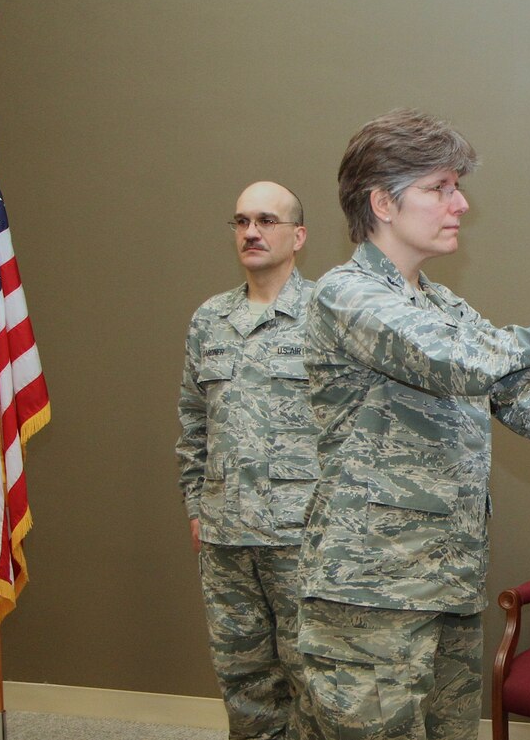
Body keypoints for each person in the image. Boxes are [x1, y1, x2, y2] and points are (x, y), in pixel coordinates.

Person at [294, 108, 530, 740]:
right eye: (439, 188)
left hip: (446, 584)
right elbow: (464, 362)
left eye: (456, 186)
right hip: (371, 596)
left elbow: (519, 387)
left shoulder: (439, 303)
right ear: (382, 202)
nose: (460, 203)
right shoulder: (346, 295)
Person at [176, 181, 318, 740]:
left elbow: (354, 427)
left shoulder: (327, 314)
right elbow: (193, 423)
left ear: (298, 236)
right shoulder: (209, 319)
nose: (251, 232)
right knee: (243, 680)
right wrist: (195, 506)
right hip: (225, 535)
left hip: (302, 534)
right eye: (240, 222)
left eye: (265, 220)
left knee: (315, 678)